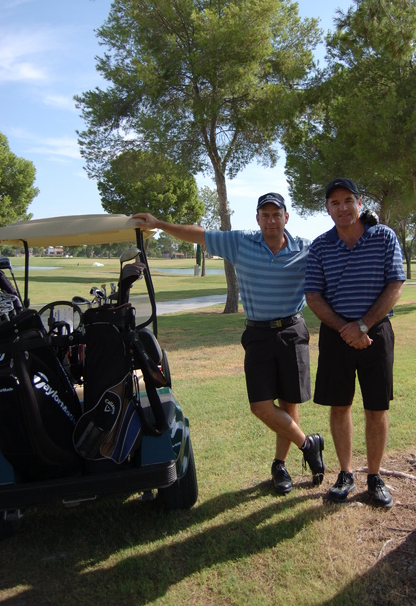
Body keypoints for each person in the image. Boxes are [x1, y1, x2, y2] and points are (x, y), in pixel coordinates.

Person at [133, 192, 325, 494]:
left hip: (292, 331)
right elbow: (199, 235)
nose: (271, 220)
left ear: (286, 217)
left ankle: (280, 465)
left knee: (289, 402)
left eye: (276, 214)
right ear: (258, 218)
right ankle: (308, 444)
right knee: (260, 406)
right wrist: (160, 224)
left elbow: (337, 251)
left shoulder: (307, 248)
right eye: (265, 215)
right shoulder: (241, 242)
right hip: (258, 333)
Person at [304, 178, 405, 508]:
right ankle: (346, 474)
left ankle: (374, 477)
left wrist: (363, 326)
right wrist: (346, 329)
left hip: (377, 333)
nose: (342, 207)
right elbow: (313, 295)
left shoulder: (384, 236)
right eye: (335, 203)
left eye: (348, 200)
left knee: (376, 408)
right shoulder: (320, 246)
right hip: (336, 336)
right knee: (340, 405)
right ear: (327, 209)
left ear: (360, 203)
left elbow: (395, 284)